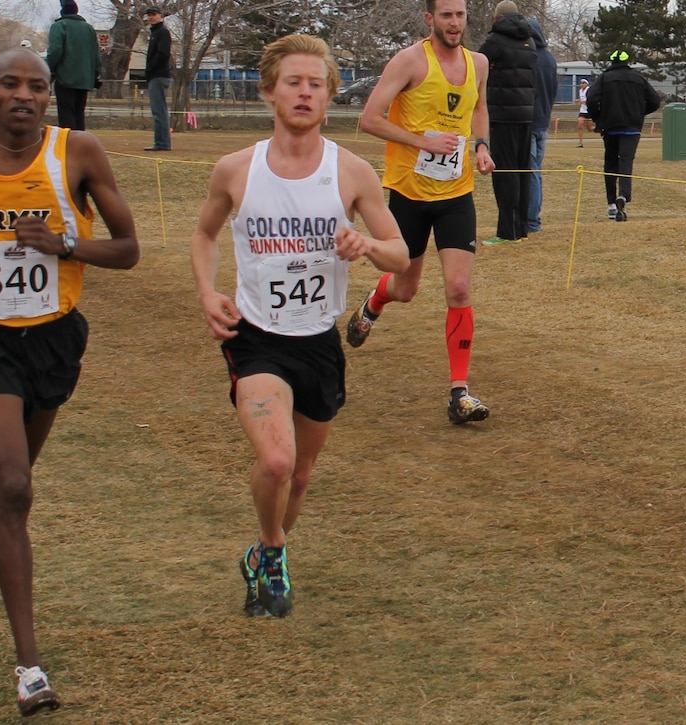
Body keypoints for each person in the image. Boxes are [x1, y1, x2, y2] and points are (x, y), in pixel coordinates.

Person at [0, 48, 139, 715]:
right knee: (13, 488)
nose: (24, 96)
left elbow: (128, 250)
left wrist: (65, 246)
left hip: (53, 338)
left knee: (20, 465)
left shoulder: (79, 153)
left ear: (47, 96)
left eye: (36, 86)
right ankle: (29, 664)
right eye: (9, 83)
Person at [192, 34, 408, 619]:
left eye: (317, 83)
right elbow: (206, 234)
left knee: (302, 477)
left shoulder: (352, 172)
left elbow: (401, 253)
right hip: (256, 337)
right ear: (269, 91)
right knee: (279, 461)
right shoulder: (237, 169)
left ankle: (265, 547)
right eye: (294, 81)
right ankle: (274, 550)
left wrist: (366, 243)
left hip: (318, 340)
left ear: (331, 94)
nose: (306, 92)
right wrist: (209, 292)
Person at [352, 0, 496, 425]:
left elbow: (479, 109)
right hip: (408, 196)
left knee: (458, 288)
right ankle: (375, 301)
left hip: (456, 194)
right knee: (407, 289)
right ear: (430, 19)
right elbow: (369, 119)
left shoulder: (480, 64)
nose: (455, 23)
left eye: (461, 15)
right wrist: (421, 141)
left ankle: (459, 393)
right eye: (446, 15)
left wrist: (482, 146)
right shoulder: (409, 61)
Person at [477, 0, 536, 245]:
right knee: (522, 171)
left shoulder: (495, 41)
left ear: (497, 17)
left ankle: (507, 230)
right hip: (526, 114)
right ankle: (521, 227)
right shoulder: (530, 41)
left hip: (502, 114)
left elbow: (476, 66)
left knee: (505, 173)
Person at [586, 50, 660, 222]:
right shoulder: (638, 78)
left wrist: (598, 117)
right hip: (632, 127)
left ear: (611, 61)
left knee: (610, 162)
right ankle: (624, 195)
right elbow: (655, 101)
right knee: (626, 161)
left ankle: (611, 203)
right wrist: (639, 113)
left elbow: (591, 98)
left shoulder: (604, 78)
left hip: (610, 126)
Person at [47, 0, 101, 130]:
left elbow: (55, 51)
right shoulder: (89, 28)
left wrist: (49, 69)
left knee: (66, 114)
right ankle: (80, 144)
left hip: (65, 77)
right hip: (84, 79)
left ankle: (69, 144)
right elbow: (96, 54)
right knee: (79, 114)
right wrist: (95, 74)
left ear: (62, 11)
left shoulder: (59, 26)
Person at [526, 18, 556, 235]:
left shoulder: (531, 57)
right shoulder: (550, 58)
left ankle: (532, 221)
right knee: (536, 171)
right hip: (543, 121)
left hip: (529, 121)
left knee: (531, 172)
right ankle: (532, 216)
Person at [142, 6, 172, 151]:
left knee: (159, 111)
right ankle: (160, 142)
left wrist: (150, 69)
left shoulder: (162, 32)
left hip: (159, 76)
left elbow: (163, 54)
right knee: (159, 111)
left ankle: (162, 143)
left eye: (153, 14)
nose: (151, 17)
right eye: (149, 15)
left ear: (160, 16)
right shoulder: (155, 33)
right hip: (156, 75)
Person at [577, 79, 593, 147]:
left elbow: (591, 100)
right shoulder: (580, 91)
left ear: (587, 84)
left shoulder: (589, 90)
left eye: (583, 83)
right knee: (580, 126)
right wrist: (578, 100)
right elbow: (580, 99)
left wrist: (584, 102)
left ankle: (600, 129)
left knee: (589, 129)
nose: (582, 84)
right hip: (582, 111)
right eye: (581, 83)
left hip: (589, 111)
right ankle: (580, 143)